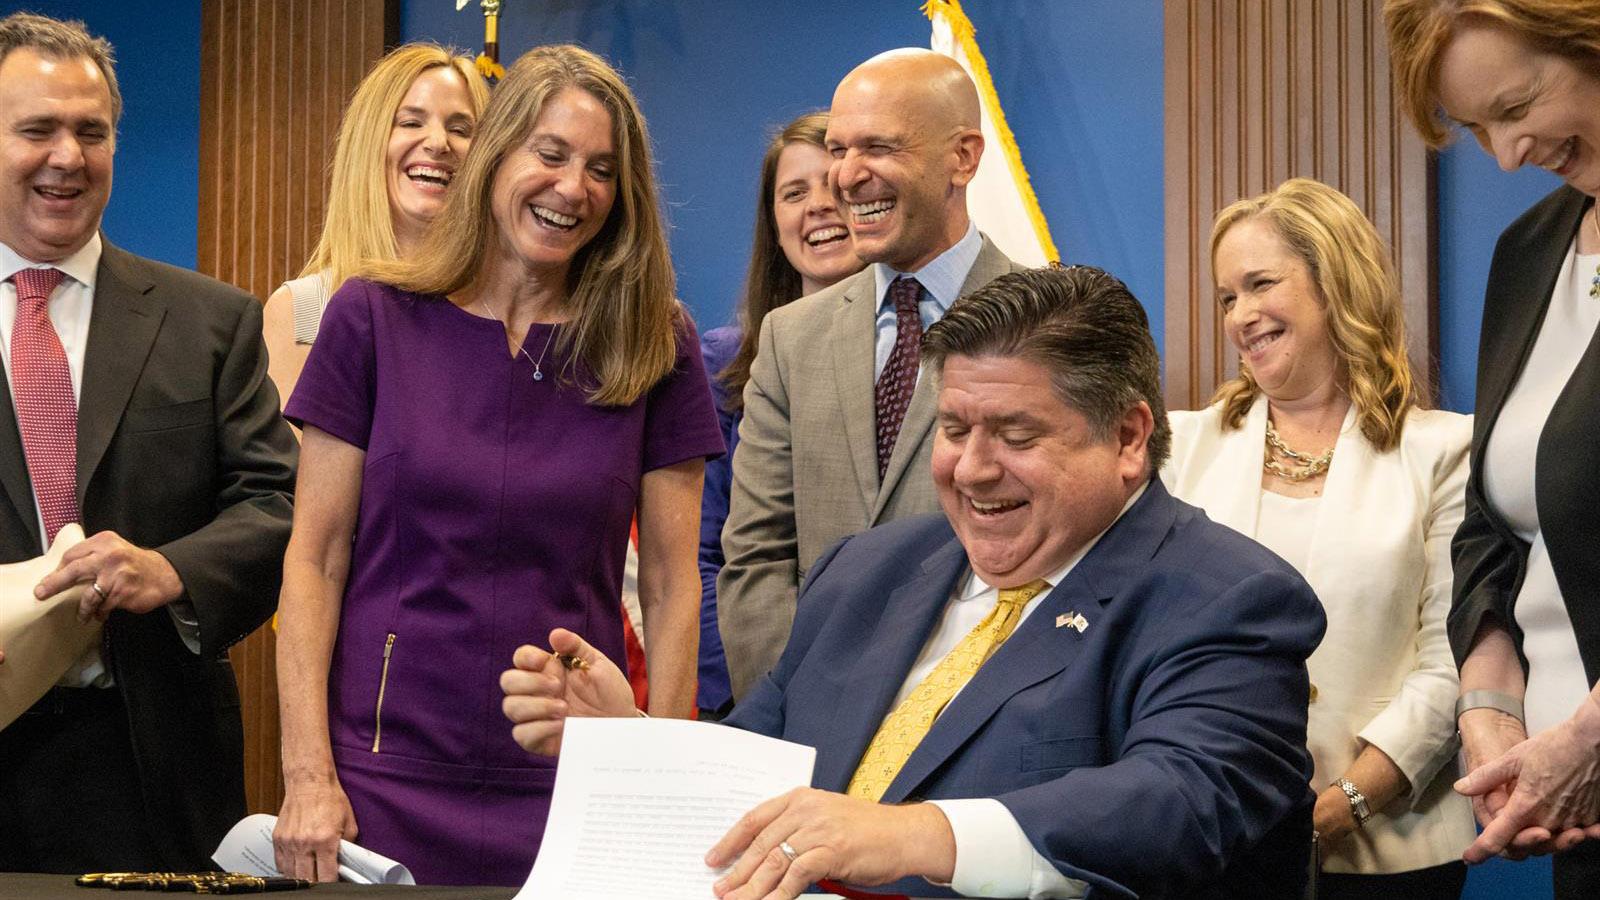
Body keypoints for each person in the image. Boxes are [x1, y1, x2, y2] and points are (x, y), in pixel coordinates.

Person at [504, 266, 1325, 900]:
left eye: (1015, 433)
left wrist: (916, 836)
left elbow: (1179, 802)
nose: (970, 469)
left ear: (1127, 436)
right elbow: (755, 775)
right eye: (956, 428)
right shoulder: (870, 569)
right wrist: (633, 740)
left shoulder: (1228, 598)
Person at [272, 44, 723, 886]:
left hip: (574, 775)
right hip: (380, 777)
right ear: (496, 154)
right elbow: (315, 559)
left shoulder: (657, 339)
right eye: (549, 154)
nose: (572, 188)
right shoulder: (370, 316)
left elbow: (671, 584)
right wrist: (307, 775)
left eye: (600, 170)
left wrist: (661, 776)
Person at [0, 12, 297, 873]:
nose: (68, 156)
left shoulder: (211, 322)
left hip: (151, 763)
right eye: (37, 130)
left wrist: (173, 571)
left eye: (91, 132)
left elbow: (279, 505)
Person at [1162, 178, 1475, 898]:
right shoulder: (1181, 448)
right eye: (1226, 297)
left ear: (1334, 282)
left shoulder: (1446, 452)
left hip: (1392, 848)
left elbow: (1452, 657)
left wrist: (1348, 802)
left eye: (1260, 284)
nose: (1241, 315)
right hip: (1212, 839)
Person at [717, 49, 1025, 701]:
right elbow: (757, 558)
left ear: (963, 158)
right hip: (808, 725)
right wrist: (801, 709)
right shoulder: (790, 338)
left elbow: (1075, 559)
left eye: (878, 148)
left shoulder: (1051, 323)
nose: (846, 178)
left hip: (981, 730)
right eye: (838, 149)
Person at [1385, 1, 1600, 892]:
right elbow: (1493, 523)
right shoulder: (1531, 249)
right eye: (1477, 130)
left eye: (1516, 109)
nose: (1508, 156)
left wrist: (1588, 743)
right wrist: (1489, 711)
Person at [696, 110, 864, 717]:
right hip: (753, 694)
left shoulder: (932, 352)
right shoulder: (717, 363)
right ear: (775, 223)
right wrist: (760, 698)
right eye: (795, 193)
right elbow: (703, 559)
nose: (818, 206)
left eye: (836, 187)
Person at [262, 43, 488, 406]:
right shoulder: (301, 310)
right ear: (369, 143)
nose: (438, 143)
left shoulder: (501, 311)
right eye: (411, 122)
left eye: (461, 129)